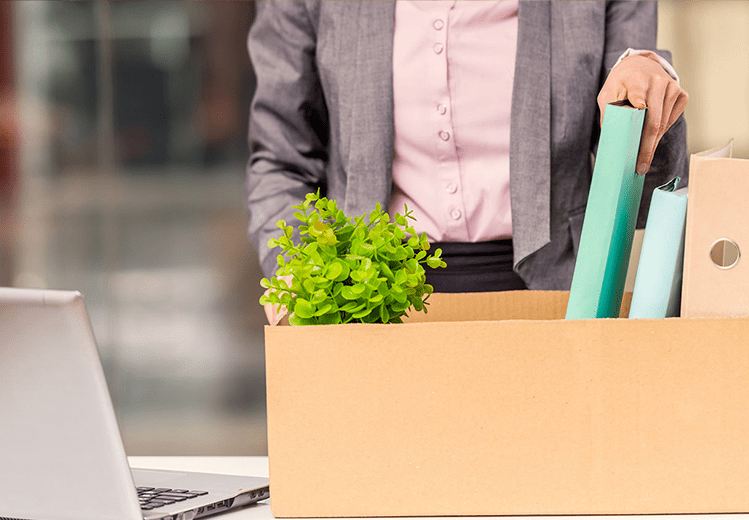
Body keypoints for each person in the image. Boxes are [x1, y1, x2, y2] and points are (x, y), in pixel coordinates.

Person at [244, 1, 688, 325]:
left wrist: (649, 89)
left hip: (560, 301)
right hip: (369, 307)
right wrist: (302, 279)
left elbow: (645, 184)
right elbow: (281, 160)